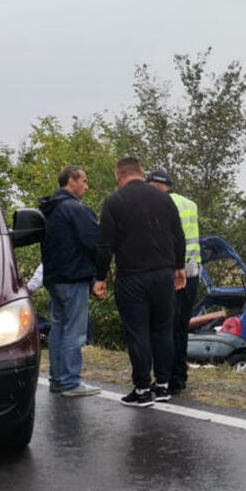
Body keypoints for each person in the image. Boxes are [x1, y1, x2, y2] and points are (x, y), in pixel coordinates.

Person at [93, 157, 185, 408]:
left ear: (118, 175)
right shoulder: (164, 199)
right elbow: (178, 235)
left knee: (138, 332)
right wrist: (179, 267)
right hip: (164, 274)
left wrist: (100, 277)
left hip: (133, 276)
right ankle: (163, 385)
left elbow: (104, 245)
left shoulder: (114, 201)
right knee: (163, 329)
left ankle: (143, 389)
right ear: (141, 173)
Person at [39, 165, 101, 397]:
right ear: (71, 181)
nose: (86, 185)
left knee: (58, 329)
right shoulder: (75, 209)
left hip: (54, 277)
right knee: (74, 332)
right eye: (84, 180)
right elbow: (93, 242)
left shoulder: (50, 208)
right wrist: (98, 272)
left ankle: (57, 379)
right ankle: (71, 382)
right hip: (74, 276)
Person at [146, 169, 201, 395]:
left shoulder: (160, 204)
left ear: (156, 185)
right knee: (180, 327)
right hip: (193, 270)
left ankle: (164, 379)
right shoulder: (190, 204)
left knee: (163, 327)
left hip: (171, 271)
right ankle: (179, 377)